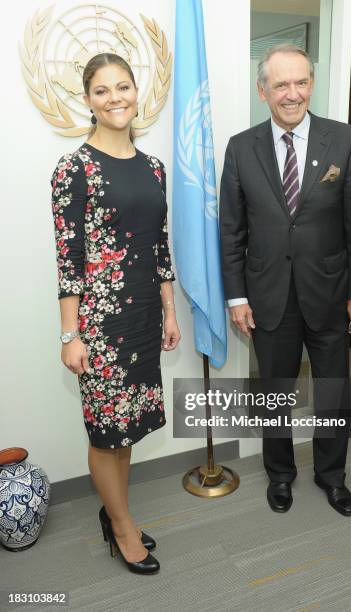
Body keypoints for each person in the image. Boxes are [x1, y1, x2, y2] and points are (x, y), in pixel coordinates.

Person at [220, 44, 351, 517]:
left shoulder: (343, 141)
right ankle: (280, 475)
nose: (293, 94)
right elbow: (231, 229)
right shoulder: (241, 147)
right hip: (267, 296)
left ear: (311, 84)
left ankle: (332, 477)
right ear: (262, 90)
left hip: (329, 292)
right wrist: (236, 295)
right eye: (282, 84)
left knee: (332, 392)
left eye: (301, 82)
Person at [50, 53, 180, 574]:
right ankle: (123, 528)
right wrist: (69, 335)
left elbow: (159, 246)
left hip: (146, 315)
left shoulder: (154, 168)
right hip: (100, 325)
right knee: (106, 433)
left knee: (126, 429)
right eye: (102, 91)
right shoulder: (73, 169)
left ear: (136, 92)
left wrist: (171, 312)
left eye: (123, 87)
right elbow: (69, 258)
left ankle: (115, 513)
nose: (115, 98)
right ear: (88, 100)